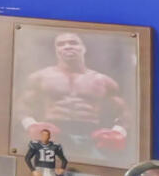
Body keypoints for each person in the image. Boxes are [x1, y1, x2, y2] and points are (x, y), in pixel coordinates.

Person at [16, 30, 131, 162]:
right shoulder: (40, 77)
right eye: (61, 44)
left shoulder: (103, 80)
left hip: (90, 136)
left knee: (93, 169)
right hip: (52, 133)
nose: (67, 46)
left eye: (73, 43)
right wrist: (31, 125)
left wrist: (118, 131)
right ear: (56, 50)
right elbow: (22, 106)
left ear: (84, 48)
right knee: (44, 170)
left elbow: (124, 112)